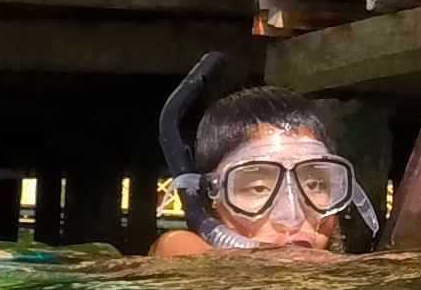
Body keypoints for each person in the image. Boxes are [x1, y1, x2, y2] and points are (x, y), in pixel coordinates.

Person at [152, 81, 377, 255]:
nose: (292, 217)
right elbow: (172, 248)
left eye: (314, 185)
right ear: (213, 196)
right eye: (258, 188)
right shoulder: (186, 251)